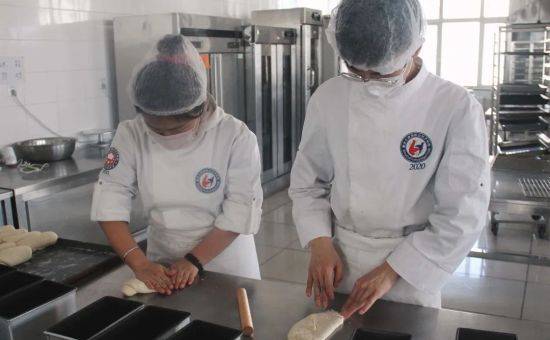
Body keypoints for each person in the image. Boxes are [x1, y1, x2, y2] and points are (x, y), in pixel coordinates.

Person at [289, 0, 490, 318]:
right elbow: (307, 182)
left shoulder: (455, 106)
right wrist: (319, 241)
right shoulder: (328, 97)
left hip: (412, 267)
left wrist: (394, 270)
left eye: (380, 73)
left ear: (417, 45)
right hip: (339, 258)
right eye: (355, 71)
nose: (367, 82)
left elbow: (462, 213)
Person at [91, 34, 263, 295]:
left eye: (177, 128)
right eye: (155, 128)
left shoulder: (235, 136)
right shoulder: (130, 133)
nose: (167, 136)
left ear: (200, 107)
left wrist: (194, 260)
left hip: (225, 263)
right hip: (162, 264)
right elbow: (110, 198)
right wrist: (139, 264)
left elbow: (241, 208)